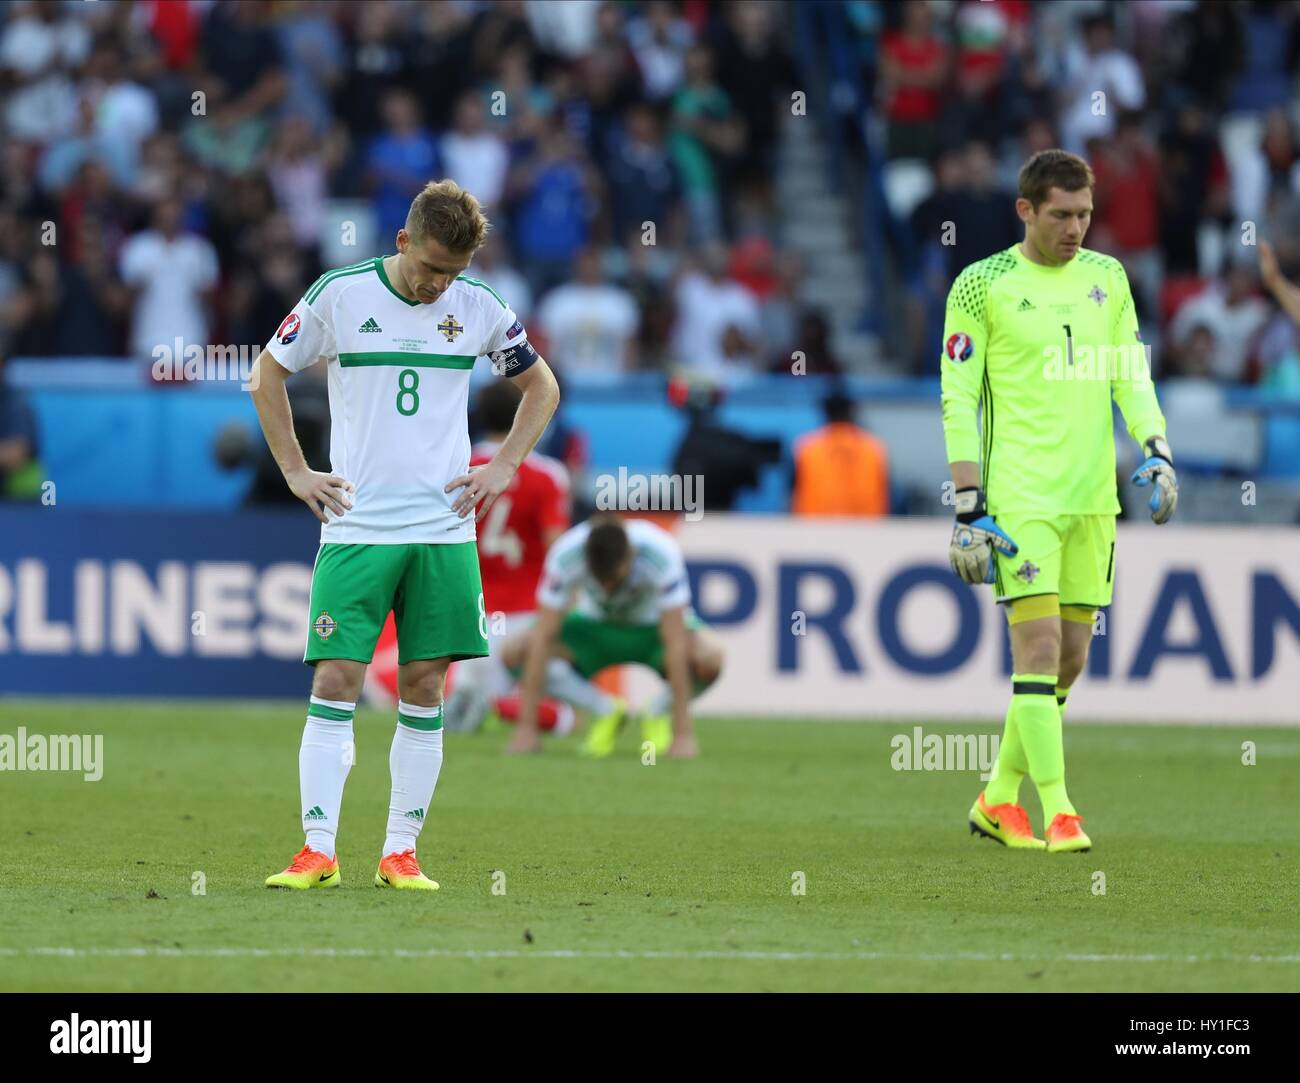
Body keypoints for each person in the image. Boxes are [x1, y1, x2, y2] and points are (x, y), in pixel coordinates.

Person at [250, 178, 559, 891]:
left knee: (425, 685)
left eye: (452, 272)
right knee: (337, 677)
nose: (437, 284)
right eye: (429, 267)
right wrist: (297, 470)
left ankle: (400, 853)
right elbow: (266, 374)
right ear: (402, 242)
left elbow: (543, 387)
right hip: (357, 525)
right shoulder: (341, 294)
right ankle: (317, 850)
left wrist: (505, 464)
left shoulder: (478, 308)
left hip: (442, 533)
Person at [941, 149, 1177, 855]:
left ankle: (996, 798)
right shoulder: (981, 286)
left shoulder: (1108, 277)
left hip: (1092, 497)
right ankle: (1060, 812)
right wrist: (967, 505)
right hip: (1019, 500)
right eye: (1061, 215)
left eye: (1084, 215)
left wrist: (1157, 446)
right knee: (1037, 647)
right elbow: (958, 398)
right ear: (1026, 211)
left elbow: (1129, 373)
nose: (1076, 228)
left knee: (1069, 658)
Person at [500, 515, 724, 760]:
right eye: (600, 580)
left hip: (652, 632)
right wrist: (526, 728)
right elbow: (544, 635)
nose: (607, 588)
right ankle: (605, 709)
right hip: (594, 630)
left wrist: (682, 734)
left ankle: (658, 710)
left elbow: (675, 639)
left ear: (631, 555)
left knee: (710, 659)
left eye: (614, 580)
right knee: (515, 651)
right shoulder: (566, 554)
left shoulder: (660, 553)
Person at [440, 378, 572, 734]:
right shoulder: (548, 476)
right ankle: (536, 712)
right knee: (547, 708)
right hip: (527, 615)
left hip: (473, 610)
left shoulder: (456, 467)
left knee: (461, 692)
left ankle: (484, 701)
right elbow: (559, 550)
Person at [791, 390, 889, 517]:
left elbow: (793, 495)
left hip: (815, 529)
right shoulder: (874, 448)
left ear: (825, 413)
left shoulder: (806, 448)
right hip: (865, 529)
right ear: (852, 412)